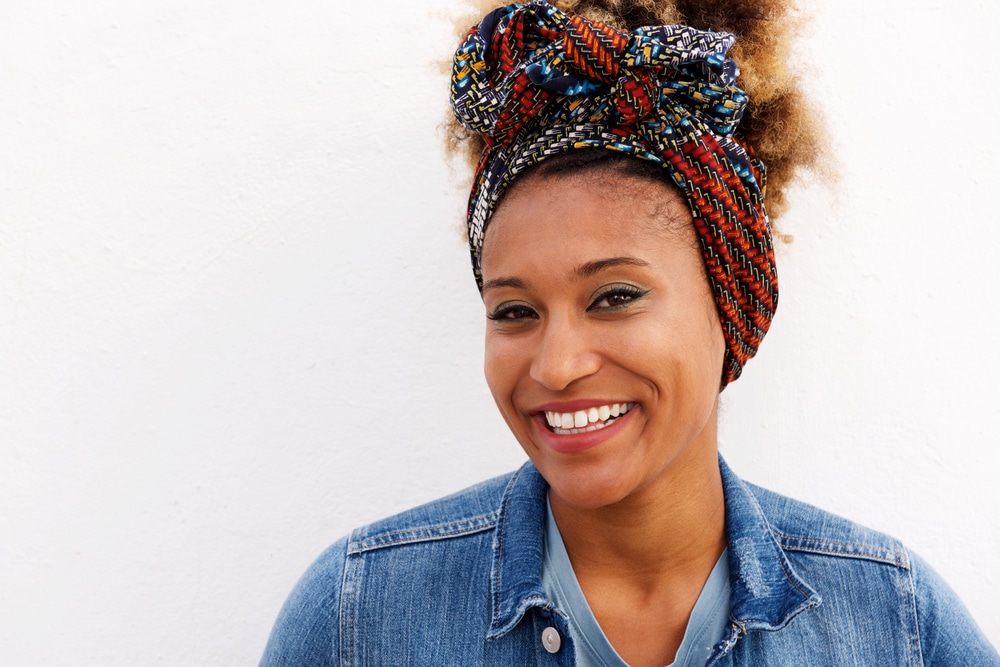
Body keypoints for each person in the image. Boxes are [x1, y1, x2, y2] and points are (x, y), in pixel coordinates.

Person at [260, 1, 999, 664]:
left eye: (614, 296)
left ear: (733, 303)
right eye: (514, 310)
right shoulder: (355, 619)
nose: (557, 365)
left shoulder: (894, 626)